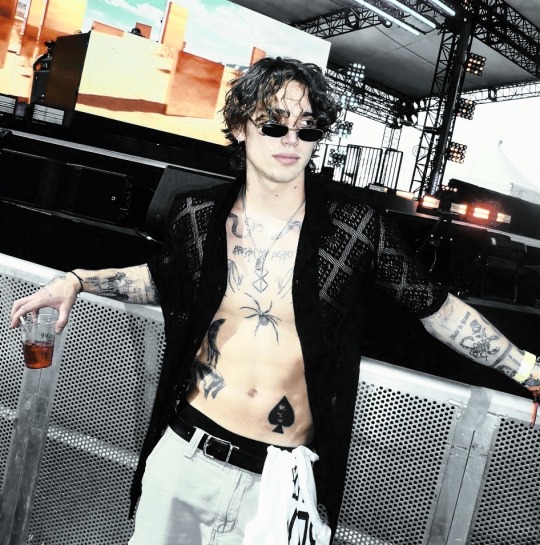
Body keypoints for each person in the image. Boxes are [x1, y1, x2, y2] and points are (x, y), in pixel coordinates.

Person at [10, 57, 540, 544]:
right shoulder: (197, 214)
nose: (292, 139)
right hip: (185, 456)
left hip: (280, 484)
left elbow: (437, 309)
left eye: (307, 127)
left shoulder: (352, 230)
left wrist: (529, 371)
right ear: (241, 128)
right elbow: (160, 280)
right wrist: (76, 280)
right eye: (274, 124)